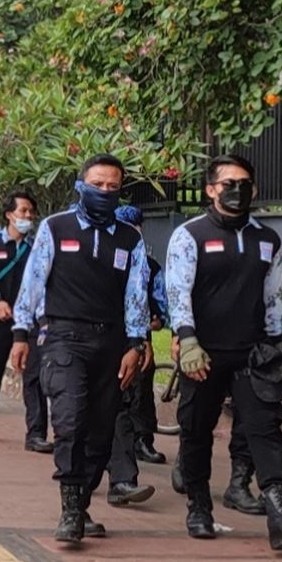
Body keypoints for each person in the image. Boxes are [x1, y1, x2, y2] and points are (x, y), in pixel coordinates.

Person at [166, 154, 282, 546]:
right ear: (210, 190)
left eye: (244, 183)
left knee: (264, 429)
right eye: (228, 184)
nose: (238, 190)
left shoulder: (267, 239)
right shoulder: (190, 235)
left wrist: (275, 342)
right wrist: (187, 340)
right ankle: (199, 507)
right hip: (203, 354)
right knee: (196, 431)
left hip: (252, 354)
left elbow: (275, 297)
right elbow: (177, 292)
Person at [11, 154, 151, 543]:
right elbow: (34, 281)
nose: (105, 192)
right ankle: (70, 506)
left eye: (112, 187)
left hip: (112, 343)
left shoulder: (130, 238)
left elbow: (136, 295)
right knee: (70, 419)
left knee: (101, 429)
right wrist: (21, 333)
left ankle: (83, 498)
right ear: (81, 185)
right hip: (62, 338)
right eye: (98, 185)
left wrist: (135, 344)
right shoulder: (56, 228)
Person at [0, 190, 45, 445]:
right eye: (23, 211)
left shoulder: (37, 246)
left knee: (34, 373)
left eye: (31, 212)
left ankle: (35, 433)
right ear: (9, 215)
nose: (27, 216)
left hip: (30, 319)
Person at [104, 205, 167, 507]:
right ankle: (80, 477)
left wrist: (142, 339)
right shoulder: (93, 255)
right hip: (85, 343)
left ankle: (124, 478)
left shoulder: (146, 262)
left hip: (130, 341)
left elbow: (150, 299)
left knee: (129, 403)